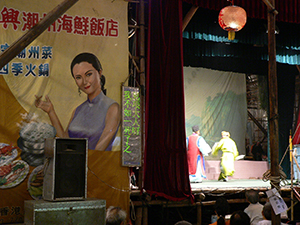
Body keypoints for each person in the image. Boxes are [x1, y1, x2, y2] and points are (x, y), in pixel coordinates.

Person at [35, 52, 121, 151]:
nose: (84, 82)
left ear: (100, 73)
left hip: (95, 165)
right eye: (78, 77)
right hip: (73, 163)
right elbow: (65, 140)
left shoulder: (112, 108)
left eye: (88, 74)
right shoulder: (78, 110)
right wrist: (51, 111)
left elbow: (98, 151)